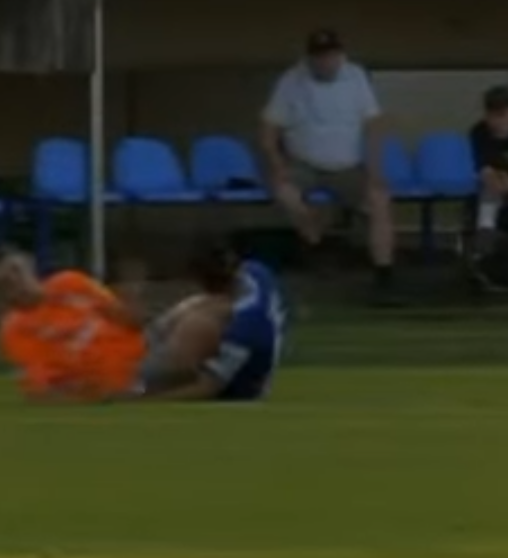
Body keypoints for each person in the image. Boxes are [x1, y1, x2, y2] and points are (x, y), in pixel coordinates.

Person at [260, 28, 397, 305]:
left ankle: (385, 276)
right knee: (286, 193)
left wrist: (375, 170)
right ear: (309, 58)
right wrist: (278, 165)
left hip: (349, 165)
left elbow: (374, 125)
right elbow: (268, 130)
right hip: (304, 164)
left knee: (380, 200)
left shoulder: (356, 77)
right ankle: (317, 245)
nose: (325, 62)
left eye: (330, 56)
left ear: (340, 55)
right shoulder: (291, 80)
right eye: (319, 57)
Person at [0, 246, 147, 402]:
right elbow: (42, 389)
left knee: (164, 326)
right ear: (0, 295)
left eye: (17, 271)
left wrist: (132, 301)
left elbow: (128, 319)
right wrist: (94, 392)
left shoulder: (71, 282)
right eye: (7, 283)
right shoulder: (15, 329)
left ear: (30, 264)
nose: (18, 283)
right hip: (107, 378)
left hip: (143, 357)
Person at [135, 238, 288, 401]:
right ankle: (134, 358)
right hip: (251, 354)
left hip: (242, 389)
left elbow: (209, 387)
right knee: (188, 309)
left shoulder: (243, 326)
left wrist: (147, 400)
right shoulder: (256, 271)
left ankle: (141, 377)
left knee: (194, 324)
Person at [468, 85, 508, 289]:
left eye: (502, 115)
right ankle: (485, 235)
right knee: (488, 188)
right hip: (493, 186)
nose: (496, 122)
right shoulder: (479, 132)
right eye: (492, 115)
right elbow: (484, 168)